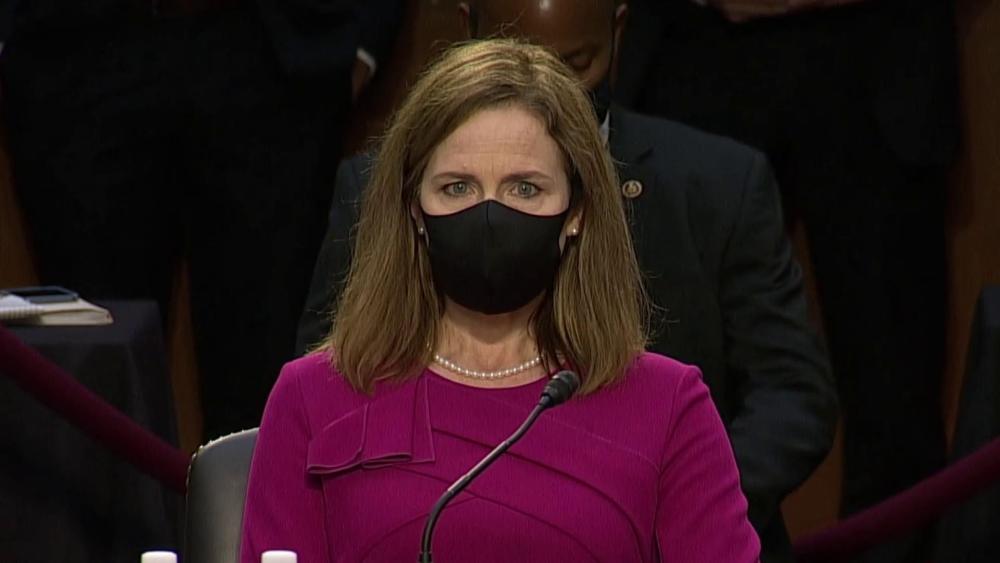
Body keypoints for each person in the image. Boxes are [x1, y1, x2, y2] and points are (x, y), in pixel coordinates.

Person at [296, 1, 837, 560]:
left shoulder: (717, 190)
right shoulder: (312, 381)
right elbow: (337, 376)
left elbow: (792, 392)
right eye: (457, 188)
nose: (546, 91)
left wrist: (679, 498)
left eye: (526, 189)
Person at [616, 1, 956, 561]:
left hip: (873, 57)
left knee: (894, 409)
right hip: (692, 41)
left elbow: (800, 390)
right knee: (662, 374)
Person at [0, 0, 402, 439]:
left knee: (264, 398)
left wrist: (365, 34)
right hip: (71, 52)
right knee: (93, 392)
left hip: (276, 54)